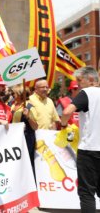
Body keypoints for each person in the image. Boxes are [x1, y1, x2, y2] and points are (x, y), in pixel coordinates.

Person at [61, 67, 100, 212]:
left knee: (87, 193)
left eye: (79, 80)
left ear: (90, 80)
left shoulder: (87, 92)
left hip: (89, 149)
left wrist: (64, 124)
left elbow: (66, 112)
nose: (77, 84)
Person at [10, 84, 38, 175]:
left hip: (26, 139)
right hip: (13, 138)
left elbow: (35, 127)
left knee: (26, 162)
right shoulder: (12, 105)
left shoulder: (29, 107)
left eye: (14, 93)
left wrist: (28, 117)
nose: (12, 95)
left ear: (20, 94)